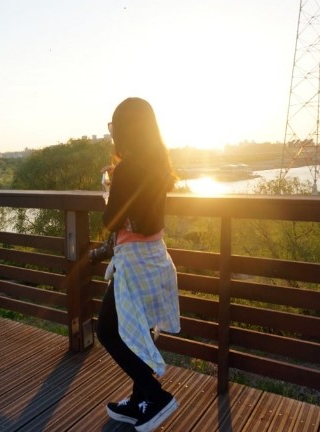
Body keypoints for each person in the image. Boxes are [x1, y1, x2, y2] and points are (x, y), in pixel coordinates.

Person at [96, 97, 181, 432]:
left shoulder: (127, 169)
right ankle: (138, 401)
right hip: (155, 259)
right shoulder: (159, 166)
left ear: (125, 130)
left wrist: (110, 185)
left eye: (113, 127)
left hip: (132, 263)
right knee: (138, 331)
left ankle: (155, 395)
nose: (112, 133)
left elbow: (111, 220)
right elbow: (145, 216)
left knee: (107, 330)